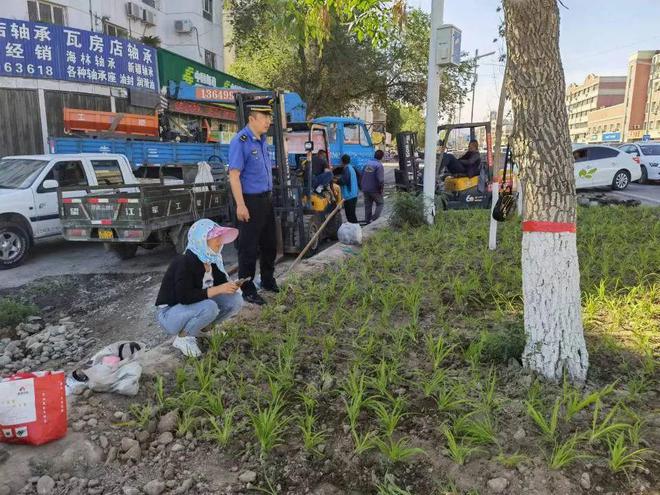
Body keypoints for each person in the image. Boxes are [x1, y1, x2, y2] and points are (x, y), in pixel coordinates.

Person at [155, 219, 243, 357]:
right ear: (201, 240)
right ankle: (183, 337)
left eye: (220, 237)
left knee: (235, 300)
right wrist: (220, 289)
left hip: (191, 307)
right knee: (210, 307)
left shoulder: (212, 260)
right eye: (216, 238)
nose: (220, 242)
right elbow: (184, 297)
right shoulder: (184, 262)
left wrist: (232, 286)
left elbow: (220, 285)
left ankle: (203, 330)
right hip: (170, 314)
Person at [228, 102, 279, 306]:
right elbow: (234, 175)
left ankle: (267, 280)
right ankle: (247, 289)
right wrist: (240, 205)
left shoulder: (263, 140)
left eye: (269, 116)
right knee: (248, 248)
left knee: (270, 244)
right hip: (249, 201)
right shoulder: (241, 141)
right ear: (252, 118)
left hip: (266, 200)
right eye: (264, 116)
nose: (268, 120)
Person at [361, 149, 385, 223]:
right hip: (374, 190)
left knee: (368, 206)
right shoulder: (379, 165)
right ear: (381, 157)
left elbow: (361, 174)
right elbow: (380, 180)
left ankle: (367, 221)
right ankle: (374, 219)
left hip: (365, 189)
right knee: (380, 203)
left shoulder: (367, 164)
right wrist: (381, 189)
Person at [336, 154, 359, 223]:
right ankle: (355, 230)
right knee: (351, 215)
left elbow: (344, 181)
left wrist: (336, 181)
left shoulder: (346, 169)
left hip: (349, 195)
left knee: (350, 216)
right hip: (353, 194)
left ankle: (355, 230)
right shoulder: (351, 168)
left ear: (342, 161)